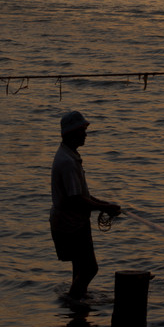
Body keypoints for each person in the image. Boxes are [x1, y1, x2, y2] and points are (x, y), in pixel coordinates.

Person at [50, 110, 121, 305]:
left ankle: (77, 310)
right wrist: (103, 208)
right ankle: (73, 302)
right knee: (90, 269)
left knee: (80, 268)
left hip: (72, 223)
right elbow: (76, 200)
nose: (86, 134)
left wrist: (103, 204)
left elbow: (81, 195)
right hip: (70, 225)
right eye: (82, 130)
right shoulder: (67, 162)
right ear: (72, 133)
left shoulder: (69, 155)